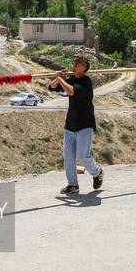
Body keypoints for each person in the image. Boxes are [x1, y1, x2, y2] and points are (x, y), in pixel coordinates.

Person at [48, 55, 103, 194]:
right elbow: (52, 87)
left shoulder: (86, 82)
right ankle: (73, 185)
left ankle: (97, 172)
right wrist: (58, 78)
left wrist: (61, 79)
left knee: (83, 155)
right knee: (68, 156)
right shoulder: (71, 79)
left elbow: (72, 91)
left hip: (85, 125)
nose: (74, 65)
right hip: (70, 125)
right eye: (73, 63)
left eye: (77, 63)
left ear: (84, 68)